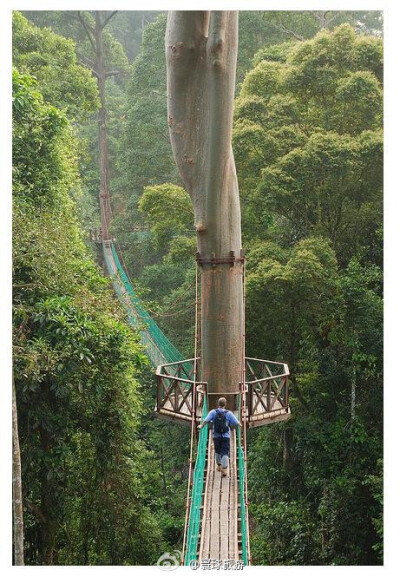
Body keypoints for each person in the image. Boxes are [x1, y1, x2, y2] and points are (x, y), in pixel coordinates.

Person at [198, 397, 241, 477]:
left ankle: (219, 465)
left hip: (216, 436)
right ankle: (224, 468)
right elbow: (236, 422)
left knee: (217, 451)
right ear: (226, 404)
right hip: (226, 436)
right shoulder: (229, 413)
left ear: (218, 403)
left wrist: (201, 426)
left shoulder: (213, 412)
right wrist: (240, 425)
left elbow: (206, 420)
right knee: (225, 452)